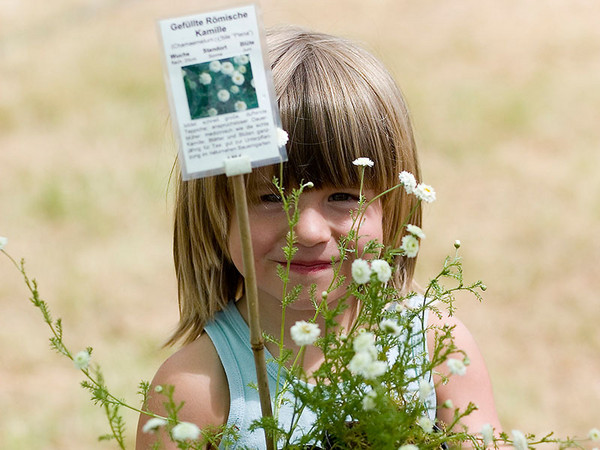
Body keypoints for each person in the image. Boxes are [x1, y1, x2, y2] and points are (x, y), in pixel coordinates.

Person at [136, 26, 501, 449]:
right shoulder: (194, 389)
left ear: (395, 206)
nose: (307, 231)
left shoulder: (434, 345)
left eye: (344, 196)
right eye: (271, 198)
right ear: (218, 212)